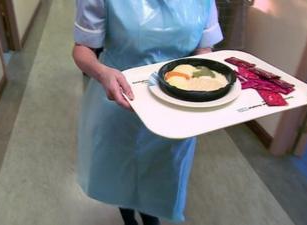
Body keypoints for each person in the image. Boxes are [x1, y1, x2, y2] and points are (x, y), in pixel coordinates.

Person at [72, 0, 223, 224]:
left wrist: (205, 82)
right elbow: (82, 49)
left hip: (177, 104)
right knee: (121, 172)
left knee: (161, 175)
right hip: (121, 99)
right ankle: (129, 219)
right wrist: (102, 72)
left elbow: (203, 47)